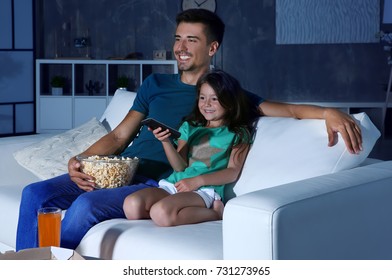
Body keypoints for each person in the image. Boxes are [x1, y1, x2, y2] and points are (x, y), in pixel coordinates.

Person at [16, 8, 362, 251]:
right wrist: (82, 159)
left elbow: (286, 109)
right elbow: (120, 136)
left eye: (191, 40)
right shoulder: (155, 83)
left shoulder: (224, 96)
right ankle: (28, 266)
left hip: (155, 182)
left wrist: (330, 112)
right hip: (115, 171)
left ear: (212, 48)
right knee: (35, 195)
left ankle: (52, 266)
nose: (180, 47)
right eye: (178, 38)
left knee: (86, 207)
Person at [123, 69, 259, 226]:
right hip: (176, 183)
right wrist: (166, 142)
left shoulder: (237, 132)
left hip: (204, 189)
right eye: (202, 97)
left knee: (160, 212)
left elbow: (232, 172)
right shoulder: (189, 127)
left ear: (230, 103)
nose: (206, 104)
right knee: (131, 206)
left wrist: (197, 181)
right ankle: (172, 210)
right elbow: (179, 167)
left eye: (214, 99)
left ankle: (215, 213)